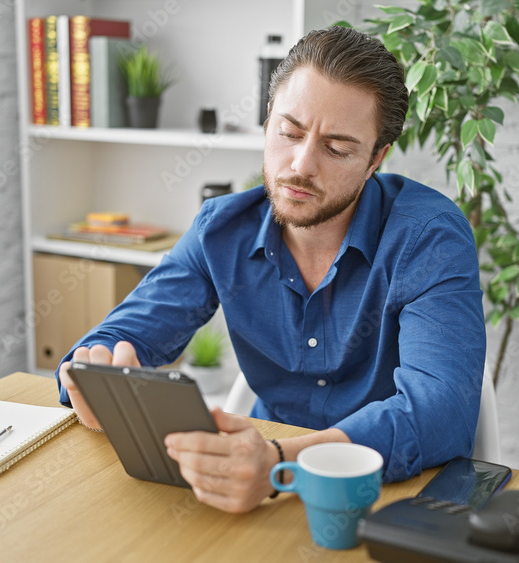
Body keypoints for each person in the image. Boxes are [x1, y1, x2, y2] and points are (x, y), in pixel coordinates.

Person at [57, 25, 486, 513]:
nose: (301, 165)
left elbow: (442, 412)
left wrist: (282, 464)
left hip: (389, 491)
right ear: (266, 124)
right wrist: (93, 371)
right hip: (260, 479)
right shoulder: (221, 230)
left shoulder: (428, 236)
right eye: (289, 132)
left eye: (337, 148)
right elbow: (124, 333)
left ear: (375, 160)